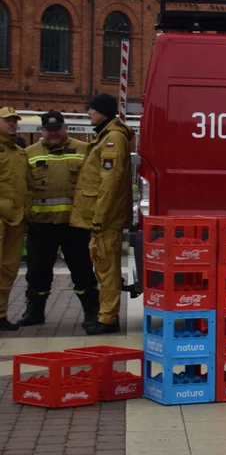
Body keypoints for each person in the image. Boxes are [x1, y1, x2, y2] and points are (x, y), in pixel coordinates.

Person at [21, 111, 97, 328]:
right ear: (42, 131)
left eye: (58, 129)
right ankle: (35, 312)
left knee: (82, 271)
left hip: (75, 225)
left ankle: (91, 312)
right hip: (41, 225)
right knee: (37, 272)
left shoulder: (84, 150)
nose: (54, 133)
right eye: (49, 130)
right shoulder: (28, 154)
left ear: (65, 128)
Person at [71, 94, 134, 336]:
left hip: (105, 219)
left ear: (104, 113)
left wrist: (99, 216)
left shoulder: (113, 139)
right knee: (103, 267)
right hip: (102, 218)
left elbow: (110, 183)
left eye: (92, 111)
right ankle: (104, 315)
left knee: (107, 269)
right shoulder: (106, 136)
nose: (89, 114)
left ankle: (108, 318)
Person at [0, 107, 28, 332]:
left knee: (9, 269)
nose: (12, 124)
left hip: (16, 219)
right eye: (7, 121)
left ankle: (1, 314)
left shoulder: (20, 153)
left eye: (14, 121)